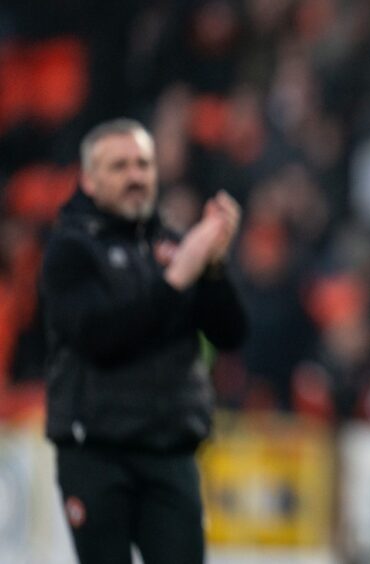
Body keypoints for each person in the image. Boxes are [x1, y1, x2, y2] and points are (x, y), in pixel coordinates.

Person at [39, 118, 248, 564]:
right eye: (119, 167)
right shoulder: (70, 251)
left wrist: (212, 269)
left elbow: (230, 334)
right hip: (95, 452)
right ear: (89, 181)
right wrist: (176, 280)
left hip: (169, 451)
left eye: (143, 164)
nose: (135, 176)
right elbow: (98, 338)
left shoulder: (173, 244)